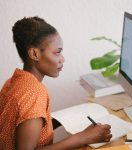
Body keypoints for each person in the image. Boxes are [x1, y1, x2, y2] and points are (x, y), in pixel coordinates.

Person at [0, 16, 112, 150]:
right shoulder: (35, 92)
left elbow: (20, 122)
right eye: (57, 53)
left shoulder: (14, 81)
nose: (62, 59)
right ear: (34, 54)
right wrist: (83, 137)